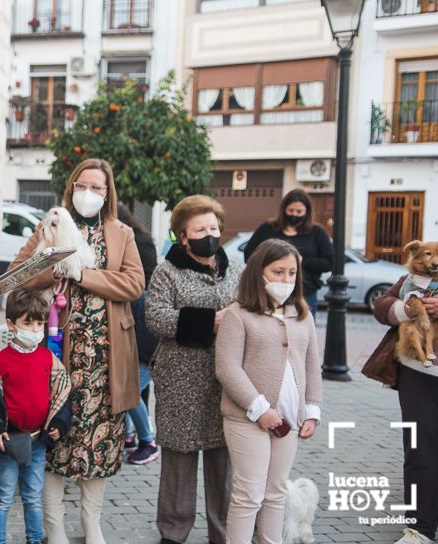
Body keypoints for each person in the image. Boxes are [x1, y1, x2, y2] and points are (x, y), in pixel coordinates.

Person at [11, 158, 144, 544]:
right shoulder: (52, 224)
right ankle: (54, 530)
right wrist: (56, 267)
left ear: (108, 193)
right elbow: (19, 273)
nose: (89, 193)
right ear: (71, 187)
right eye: (82, 185)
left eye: (98, 187)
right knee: (56, 438)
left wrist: (84, 274)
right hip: (59, 355)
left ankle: (92, 526)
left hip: (104, 359)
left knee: (100, 443)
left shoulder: (121, 233)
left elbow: (134, 283)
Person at [146, 194, 242, 544]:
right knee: (179, 463)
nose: (209, 234)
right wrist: (210, 322)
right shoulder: (166, 271)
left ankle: (226, 533)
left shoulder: (237, 268)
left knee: (224, 464)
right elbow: (155, 317)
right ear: (183, 237)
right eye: (200, 229)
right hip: (180, 379)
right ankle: (173, 533)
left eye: (214, 227)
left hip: (227, 379)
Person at [215, 239, 322, 544]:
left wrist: (312, 409)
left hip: (289, 419)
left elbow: (312, 364)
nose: (285, 280)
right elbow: (227, 368)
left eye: (291, 273)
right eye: (278, 272)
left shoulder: (301, 315)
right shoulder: (238, 315)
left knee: (276, 493)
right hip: (247, 420)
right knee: (249, 495)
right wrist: (260, 409)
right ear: (259, 272)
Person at [0, 289, 72, 544]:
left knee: (33, 496)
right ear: (12, 324)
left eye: (39, 323)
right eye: (28, 323)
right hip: (9, 441)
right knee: (2, 497)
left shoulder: (48, 358)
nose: (35, 329)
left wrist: (59, 422)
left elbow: (62, 393)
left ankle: (34, 539)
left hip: (37, 442)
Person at [374, 273, 438, 544]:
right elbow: (381, 306)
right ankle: (420, 529)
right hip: (418, 374)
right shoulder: (422, 271)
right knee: (420, 451)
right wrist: (408, 307)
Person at [243, 189, 333, 317]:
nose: (294, 215)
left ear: (306, 212)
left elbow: (329, 262)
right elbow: (250, 255)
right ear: (283, 209)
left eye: (299, 212)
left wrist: (303, 262)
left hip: (305, 293)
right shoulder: (267, 229)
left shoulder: (317, 232)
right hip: (268, 293)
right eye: (290, 211)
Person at [116, 203, 159, 465]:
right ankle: (130, 437)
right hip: (140, 347)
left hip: (146, 349)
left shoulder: (135, 295)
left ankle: (148, 442)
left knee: (128, 392)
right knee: (128, 391)